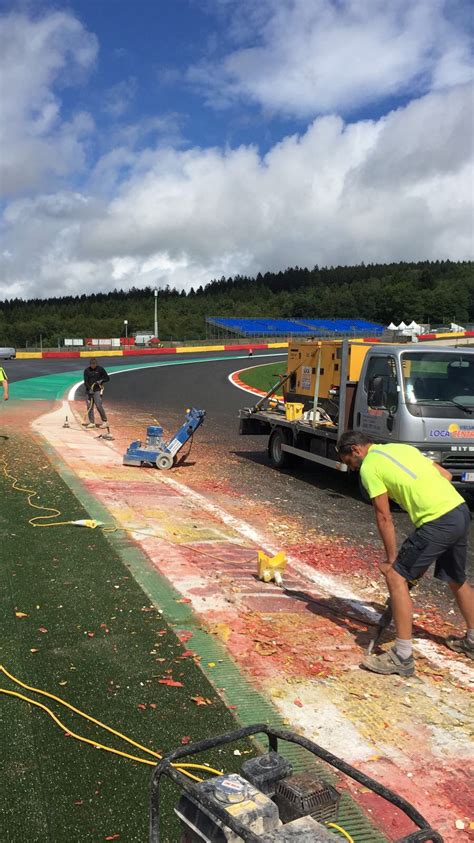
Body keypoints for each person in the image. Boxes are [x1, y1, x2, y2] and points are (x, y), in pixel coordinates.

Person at [336, 430, 474, 677]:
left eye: (349, 462)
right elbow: (445, 474)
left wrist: (391, 561)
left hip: (437, 521)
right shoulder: (402, 448)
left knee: (396, 577)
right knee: (456, 578)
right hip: (458, 510)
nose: (353, 468)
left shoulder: (369, 467)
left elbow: (383, 515)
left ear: (356, 450)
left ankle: (402, 656)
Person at [83, 358, 110, 429]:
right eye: (92, 364)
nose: (93, 365)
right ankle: (92, 422)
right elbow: (85, 382)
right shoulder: (87, 371)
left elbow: (107, 378)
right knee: (89, 406)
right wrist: (89, 389)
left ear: (96, 364)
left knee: (98, 405)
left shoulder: (100, 369)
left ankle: (105, 421)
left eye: (94, 364)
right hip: (88, 391)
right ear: (90, 364)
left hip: (97, 390)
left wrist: (101, 381)